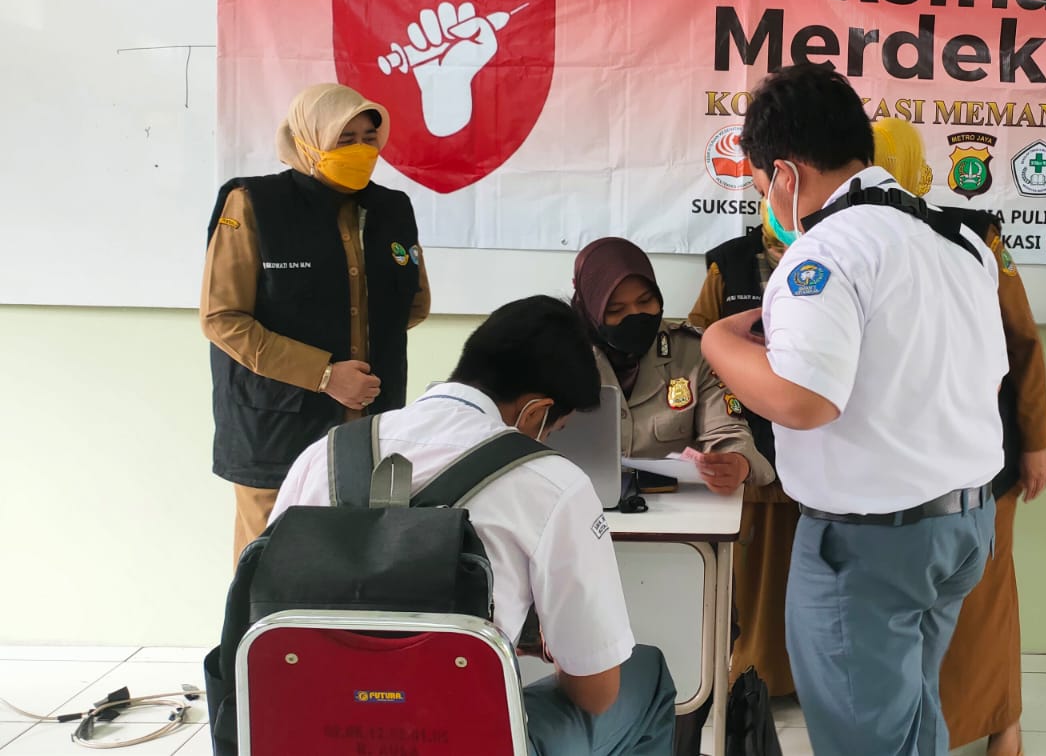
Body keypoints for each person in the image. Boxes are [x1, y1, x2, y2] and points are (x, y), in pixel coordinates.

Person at [701, 64, 1008, 756]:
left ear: (784, 173)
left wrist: (721, 341)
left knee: (867, 739)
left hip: (870, 548)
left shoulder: (826, 252)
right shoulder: (957, 241)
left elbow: (803, 400)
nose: (764, 201)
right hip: (962, 526)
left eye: (758, 184)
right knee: (911, 715)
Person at [269, 295, 676, 755]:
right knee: (648, 674)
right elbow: (595, 693)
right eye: (553, 428)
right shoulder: (552, 482)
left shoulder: (321, 456)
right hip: (462, 742)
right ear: (536, 412)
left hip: (315, 737)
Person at [872, 117, 1046, 756]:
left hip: (984, 458)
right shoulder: (846, 239)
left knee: (985, 602)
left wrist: (1036, 440)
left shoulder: (973, 233)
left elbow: (1023, 339)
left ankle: (1004, 722)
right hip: (893, 466)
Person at [202, 82, 429, 563]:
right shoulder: (253, 204)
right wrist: (325, 373)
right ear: (307, 139)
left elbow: (414, 301)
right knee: (271, 566)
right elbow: (223, 318)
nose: (362, 150)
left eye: (370, 137)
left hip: (368, 423)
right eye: (345, 139)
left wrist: (361, 350)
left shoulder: (391, 208)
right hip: (275, 423)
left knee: (355, 563)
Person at [687, 208, 799, 700]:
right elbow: (698, 344)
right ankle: (756, 681)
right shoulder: (730, 266)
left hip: (823, 443)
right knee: (754, 583)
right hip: (750, 442)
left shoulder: (841, 254)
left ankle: (796, 679)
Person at [571, 237, 772, 495]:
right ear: (591, 309)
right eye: (616, 309)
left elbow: (727, 431)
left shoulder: (693, 352)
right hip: (580, 513)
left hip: (675, 521)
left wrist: (737, 462)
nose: (635, 315)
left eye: (645, 301)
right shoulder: (562, 356)